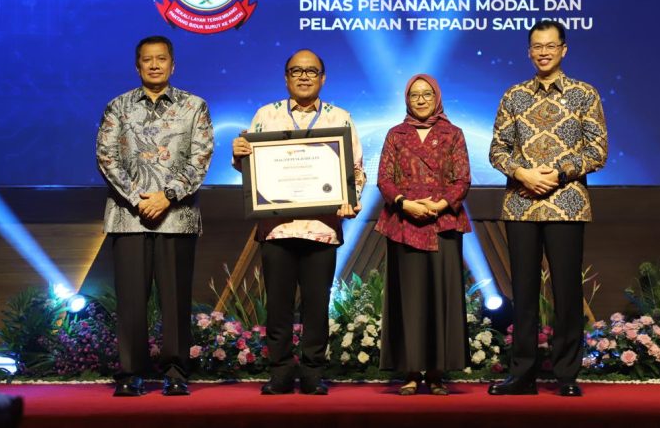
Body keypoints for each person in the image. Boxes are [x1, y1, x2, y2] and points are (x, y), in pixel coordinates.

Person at [231, 49, 365, 395]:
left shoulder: (340, 118)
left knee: (316, 306)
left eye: (311, 71)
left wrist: (350, 199)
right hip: (276, 229)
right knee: (278, 306)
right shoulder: (266, 116)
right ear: (286, 77)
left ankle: (312, 373)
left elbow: (355, 170)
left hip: (322, 230)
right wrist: (239, 155)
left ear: (323, 77)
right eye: (296, 71)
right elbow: (250, 170)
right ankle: (279, 372)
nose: (304, 76)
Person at [488, 20, 607, 397]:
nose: (543, 52)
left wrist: (558, 173)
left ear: (563, 50)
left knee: (567, 291)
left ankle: (567, 375)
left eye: (550, 46)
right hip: (521, 206)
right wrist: (522, 173)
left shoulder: (584, 94)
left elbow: (597, 151)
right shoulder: (513, 96)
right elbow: (497, 150)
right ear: (529, 52)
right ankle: (522, 375)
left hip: (566, 204)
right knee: (523, 292)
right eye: (537, 47)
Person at [96, 35, 213, 397]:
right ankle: (131, 373)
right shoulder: (118, 106)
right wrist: (138, 199)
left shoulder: (194, 106)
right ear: (137, 66)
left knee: (175, 300)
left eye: (161, 59)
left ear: (172, 65)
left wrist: (167, 196)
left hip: (176, 218)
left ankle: (176, 372)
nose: (154, 65)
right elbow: (106, 157)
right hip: (127, 217)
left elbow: (200, 157)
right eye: (147, 60)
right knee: (131, 300)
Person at [375, 74, 472, 396]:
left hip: (443, 225)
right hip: (404, 224)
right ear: (407, 99)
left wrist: (439, 206)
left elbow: (462, 179)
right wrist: (407, 204)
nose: (420, 100)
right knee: (410, 300)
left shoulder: (453, 134)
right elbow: (384, 179)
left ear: (437, 97)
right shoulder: (396, 134)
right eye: (414, 95)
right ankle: (411, 372)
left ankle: (437, 373)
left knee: (441, 299)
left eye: (426, 94)